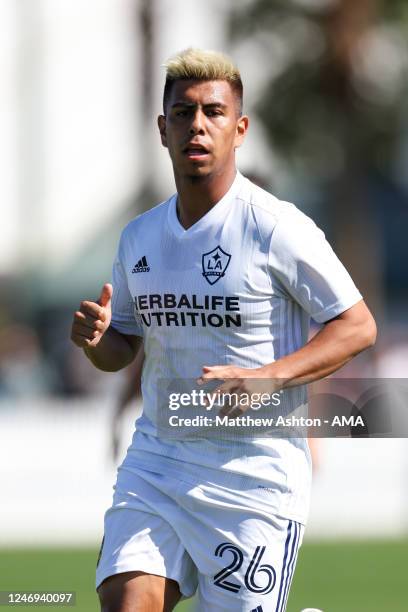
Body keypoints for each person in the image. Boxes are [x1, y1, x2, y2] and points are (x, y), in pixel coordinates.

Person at [71, 48, 376, 612]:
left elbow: (357, 326)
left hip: (254, 476)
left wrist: (268, 378)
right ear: (163, 129)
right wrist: (98, 343)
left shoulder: (276, 227)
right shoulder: (139, 237)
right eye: (183, 113)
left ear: (239, 129)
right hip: (159, 463)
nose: (198, 125)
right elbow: (124, 351)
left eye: (213, 112)